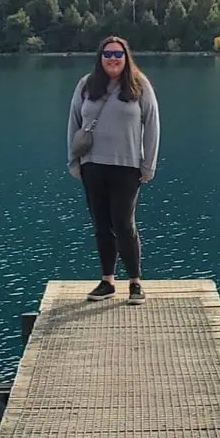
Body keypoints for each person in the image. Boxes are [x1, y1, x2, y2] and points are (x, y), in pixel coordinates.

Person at [67, 35, 160, 302]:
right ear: (100, 58)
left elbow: (152, 125)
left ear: (126, 57)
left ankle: (134, 282)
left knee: (123, 223)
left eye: (118, 54)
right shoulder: (86, 85)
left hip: (127, 167)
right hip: (92, 165)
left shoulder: (139, 85)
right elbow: (73, 123)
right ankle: (107, 281)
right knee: (101, 225)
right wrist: (73, 161)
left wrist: (148, 165)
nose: (113, 59)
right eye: (108, 54)